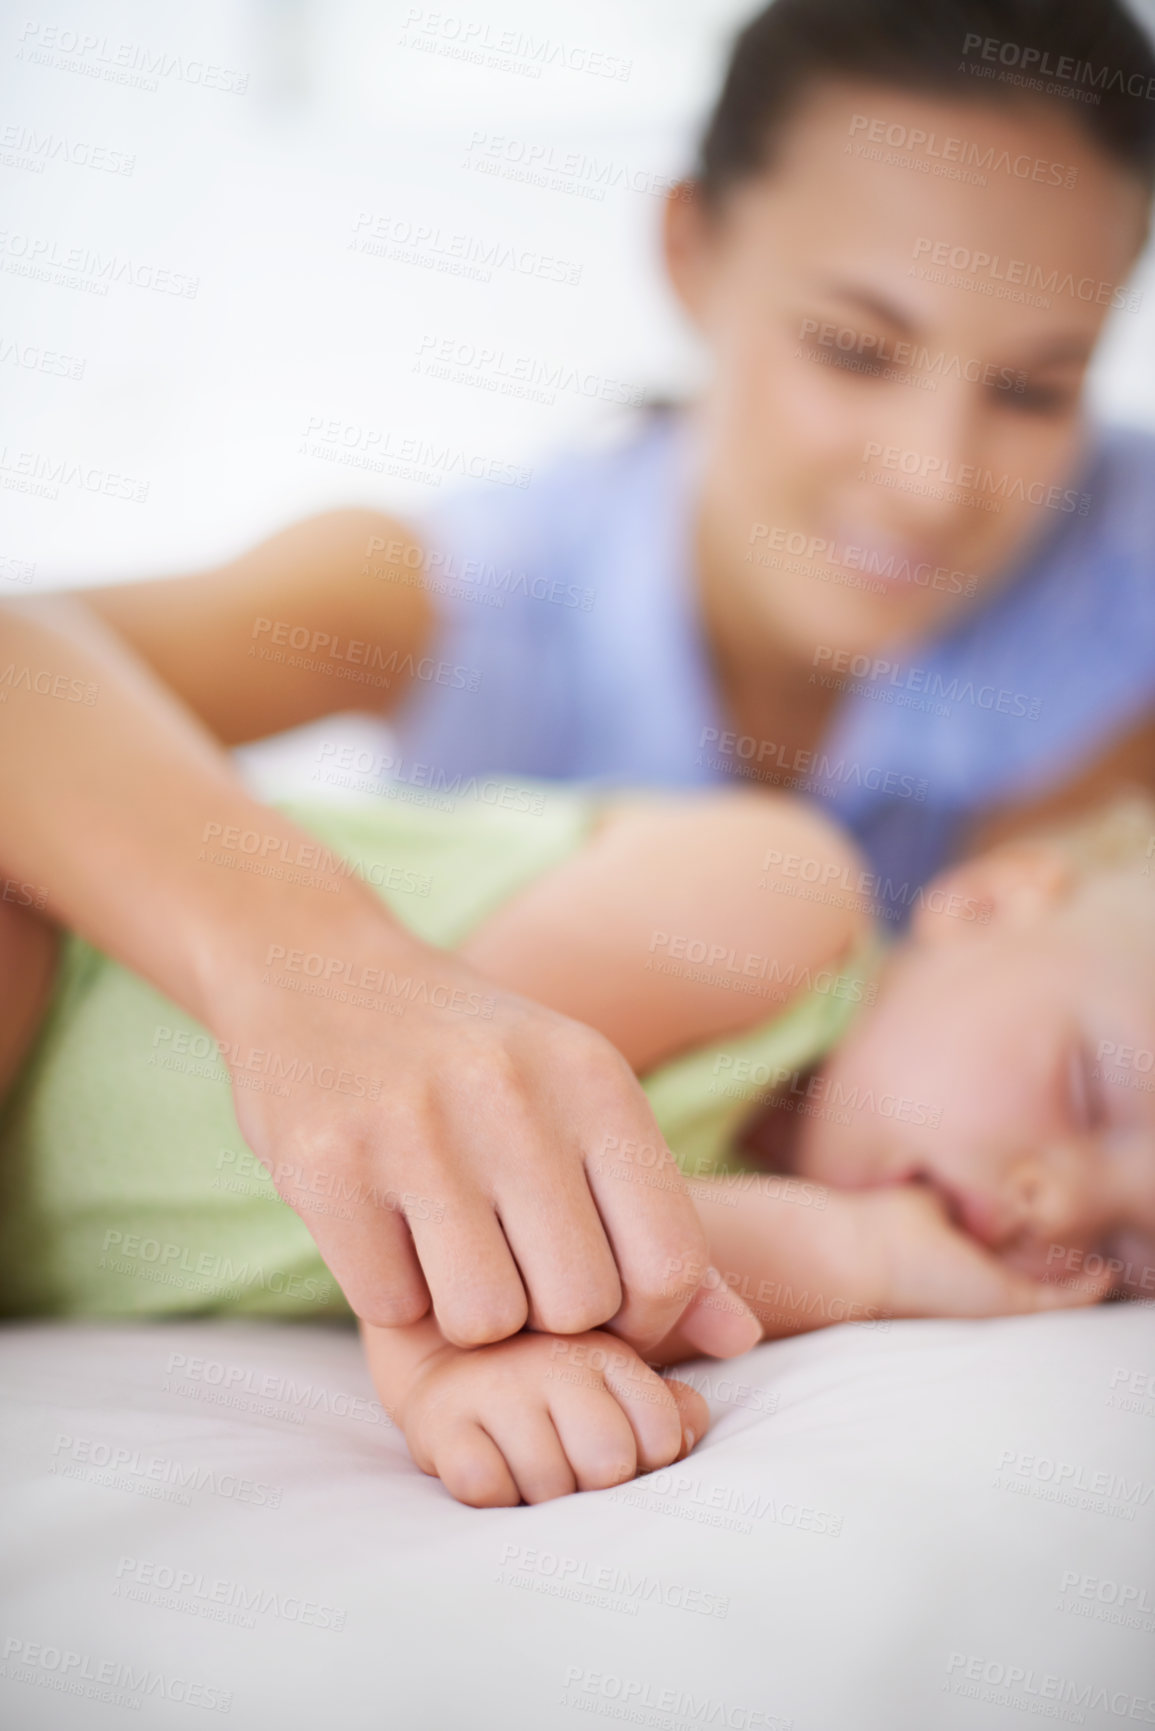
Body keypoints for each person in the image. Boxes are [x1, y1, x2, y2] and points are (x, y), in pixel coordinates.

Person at [3, 0, 1154, 1349]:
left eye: (1031, 389)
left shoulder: (1113, 587)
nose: (932, 479)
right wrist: (329, 973)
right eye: (852, 348)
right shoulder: (464, 587)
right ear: (690, 253)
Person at [0, 780, 1146, 1505]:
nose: (1064, 1196)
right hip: (56, 964)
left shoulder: (786, 1205)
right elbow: (441, 1099)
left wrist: (865, 1259)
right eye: (1088, 1092)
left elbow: (624, 1260)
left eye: (1138, 1240)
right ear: (989, 907)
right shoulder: (773, 902)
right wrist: (449, 1360)